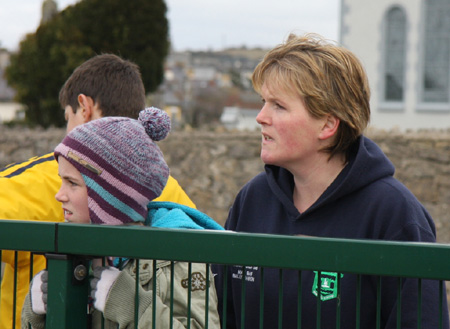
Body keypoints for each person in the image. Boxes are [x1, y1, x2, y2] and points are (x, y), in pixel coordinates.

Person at [213, 34, 449, 329]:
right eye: (264, 102)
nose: (261, 117)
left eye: (279, 106)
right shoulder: (252, 199)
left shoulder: (394, 213)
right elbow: (220, 315)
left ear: (327, 124)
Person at [0, 54, 195, 329]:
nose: (61, 193)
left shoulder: (39, 179)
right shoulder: (168, 191)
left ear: (84, 107)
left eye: (68, 118)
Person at [22, 107, 223, 328]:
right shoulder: (75, 250)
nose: (59, 195)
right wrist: (35, 315)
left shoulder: (176, 256)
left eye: (72, 183)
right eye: (62, 181)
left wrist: (132, 307)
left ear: (110, 197)